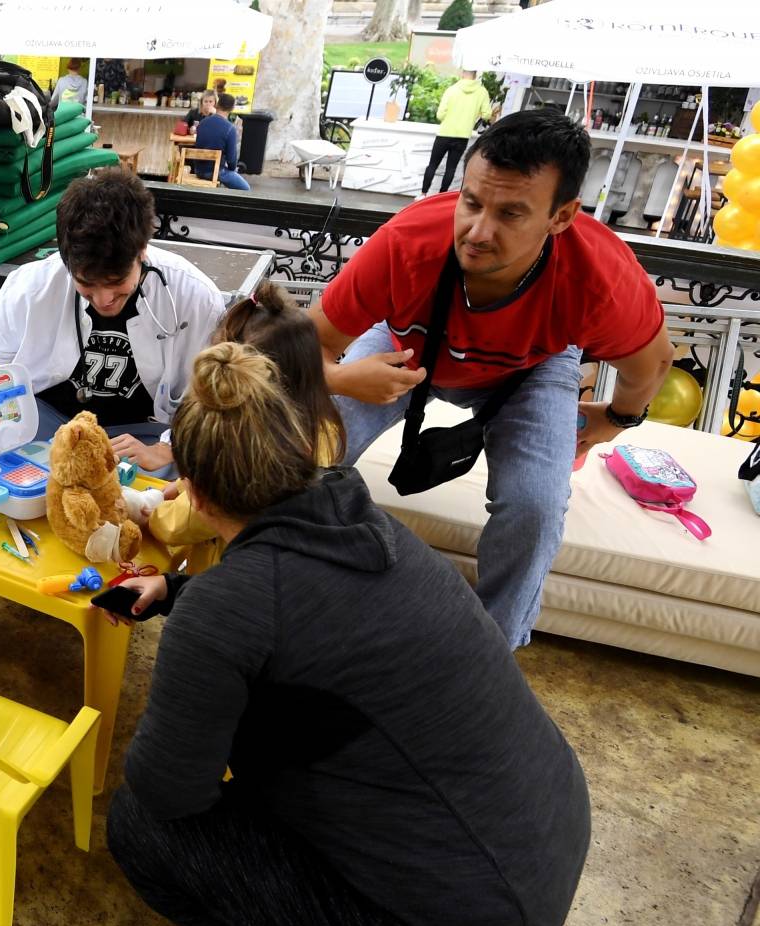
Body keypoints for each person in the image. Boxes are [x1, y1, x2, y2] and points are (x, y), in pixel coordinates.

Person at [104, 342, 591, 926]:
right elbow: (290, 595)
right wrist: (180, 593)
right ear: (303, 450)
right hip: (539, 840)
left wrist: (200, 651)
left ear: (193, 495)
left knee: (141, 829)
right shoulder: (372, 529)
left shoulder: (233, 610)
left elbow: (170, 792)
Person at [310, 109, 673, 648]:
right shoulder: (407, 242)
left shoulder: (600, 278)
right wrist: (341, 380)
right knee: (308, 445)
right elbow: (308, 348)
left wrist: (616, 419)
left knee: (535, 504)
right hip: (406, 344)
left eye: (510, 214)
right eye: (472, 202)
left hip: (534, 367)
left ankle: (493, 650)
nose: (478, 232)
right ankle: (295, 593)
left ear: (562, 215)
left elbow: (654, 363)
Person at [0, 166, 224, 475]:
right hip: (48, 425)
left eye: (116, 282)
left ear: (141, 252)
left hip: (139, 435)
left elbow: (207, 398)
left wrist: (168, 447)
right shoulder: (31, 286)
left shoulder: (194, 297)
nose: (103, 299)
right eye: (87, 284)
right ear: (66, 261)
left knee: (171, 488)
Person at [146, 280, 343, 573]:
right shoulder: (323, 429)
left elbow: (193, 518)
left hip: (228, 580)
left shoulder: (242, 442)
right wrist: (180, 485)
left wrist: (151, 516)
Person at [423, 70, 493, 195]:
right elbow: (487, 114)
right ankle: (441, 195)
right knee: (451, 168)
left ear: (462, 74)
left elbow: (440, 115)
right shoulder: (482, 92)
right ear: (475, 75)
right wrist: (474, 115)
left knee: (432, 165)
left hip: (444, 133)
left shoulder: (452, 89)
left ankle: (423, 194)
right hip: (463, 136)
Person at [189, 93, 251, 191]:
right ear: (232, 108)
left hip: (198, 170)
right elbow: (231, 160)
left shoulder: (202, 123)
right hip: (217, 171)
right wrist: (232, 169)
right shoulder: (230, 128)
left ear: (217, 105)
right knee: (246, 189)